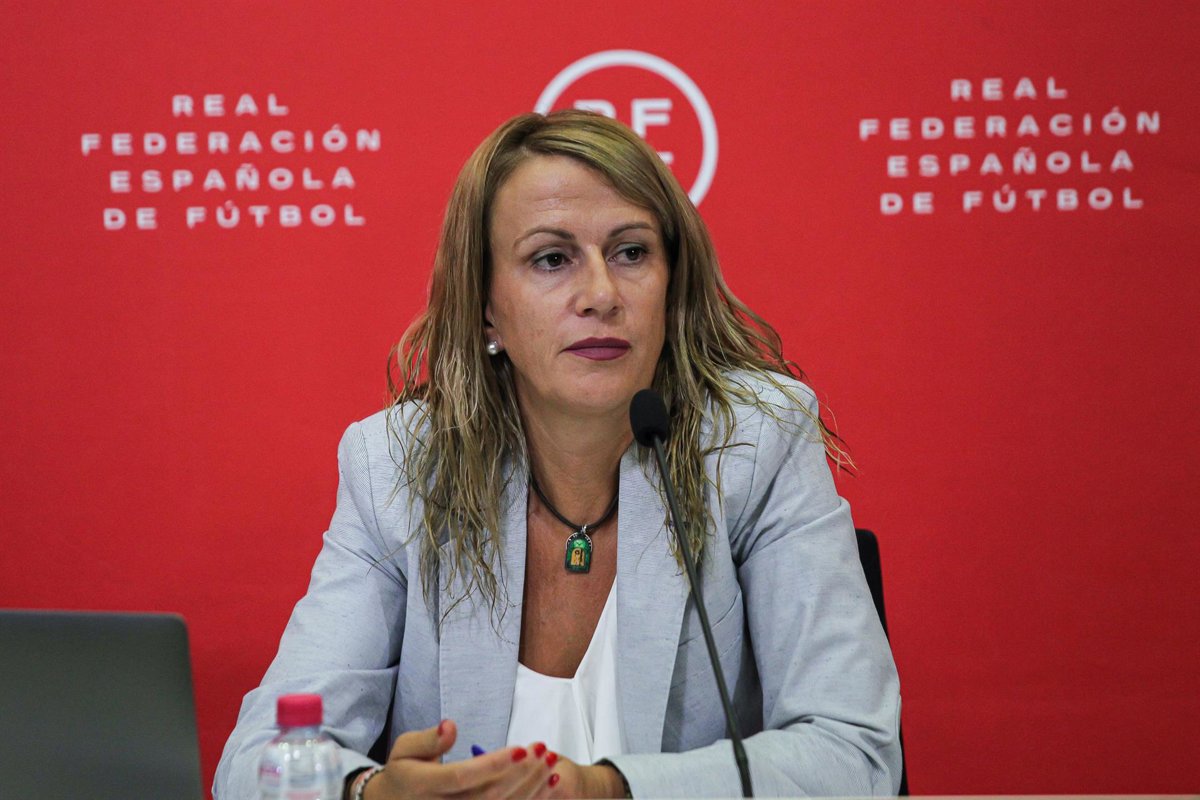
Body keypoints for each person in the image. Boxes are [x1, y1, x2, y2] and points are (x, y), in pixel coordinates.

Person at [215, 110, 902, 799]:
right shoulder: (399, 466)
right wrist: (370, 795)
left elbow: (853, 755)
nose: (601, 295)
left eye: (631, 252)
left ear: (672, 284)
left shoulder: (753, 444)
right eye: (551, 259)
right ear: (486, 307)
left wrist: (605, 791)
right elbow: (257, 761)